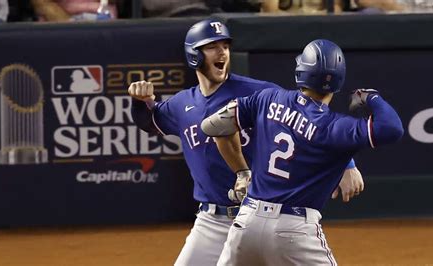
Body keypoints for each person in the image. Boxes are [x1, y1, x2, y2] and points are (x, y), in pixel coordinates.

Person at [128, 21, 364, 266]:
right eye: (212, 47)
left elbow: (305, 118)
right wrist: (139, 101)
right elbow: (150, 121)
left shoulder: (255, 91)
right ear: (194, 55)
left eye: (225, 46)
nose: (222, 53)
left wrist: (347, 163)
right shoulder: (181, 104)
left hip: (253, 215)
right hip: (211, 220)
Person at [201, 39, 404, 265]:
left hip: (246, 222)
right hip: (294, 231)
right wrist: (371, 97)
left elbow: (212, 126)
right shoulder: (335, 126)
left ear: (301, 71)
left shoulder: (268, 98)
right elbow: (392, 128)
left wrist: (242, 172)